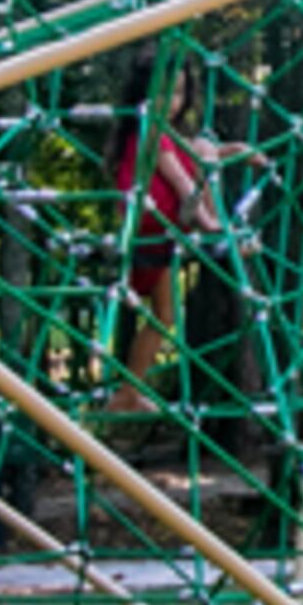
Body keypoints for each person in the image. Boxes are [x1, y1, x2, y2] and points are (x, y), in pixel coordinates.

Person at [106, 57, 245, 433]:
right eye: (164, 92)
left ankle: (128, 390)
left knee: (165, 316)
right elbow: (184, 185)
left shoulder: (162, 132)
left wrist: (238, 152)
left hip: (161, 234)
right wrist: (211, 226)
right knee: (163, 315)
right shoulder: (153, 133)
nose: (173, 101)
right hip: (150, 232)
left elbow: (197, 162)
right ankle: (219, 233)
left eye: (180, 93)